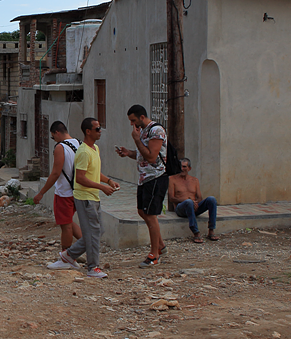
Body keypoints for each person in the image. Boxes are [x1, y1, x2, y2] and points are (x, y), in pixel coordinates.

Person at [47, 117, 118, 278]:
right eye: (97, 129)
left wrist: (108, 181)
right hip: (84, 197)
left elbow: (94, 172)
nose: (100, 131)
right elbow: (80, 178)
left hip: (93, 196)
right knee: (91, 232)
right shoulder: (83, 151)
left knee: (97, 231)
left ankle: (68, 255)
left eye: (100, 128)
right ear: (88, 131)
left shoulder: (94, 149)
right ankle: (93, 267)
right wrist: (102, 187)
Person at [114, 104, 167, 266]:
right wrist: (128, 153)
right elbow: (142, 153)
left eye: (133, 120)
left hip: (156, 177)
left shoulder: (156, 131)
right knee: (141, 211)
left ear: (142, 117)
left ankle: (154, 254)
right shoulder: (143, 131)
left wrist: (137, 140)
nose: (132, 124)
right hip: (144, 178)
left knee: (150, 215)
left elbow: (151, 157)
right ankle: (160, 244)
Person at [32, 121, 83, 254]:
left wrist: (41, 192)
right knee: (69, 221)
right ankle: (86, 243)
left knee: (65, 226)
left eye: (53, 137)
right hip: (79, 190)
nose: (53, 140)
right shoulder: (80, 143)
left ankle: (66, 255)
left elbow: (56, 172)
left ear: (57, 133)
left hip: (64, 192)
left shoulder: (61, 148)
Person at [170, 158, 218, 241]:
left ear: (189, 168)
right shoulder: (172, 179)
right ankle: (196, 232)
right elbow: (172, 198)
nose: (182, 169)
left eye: (184, 167)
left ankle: (211, 230)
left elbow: (199, 197)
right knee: (188, 202)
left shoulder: (194, 180)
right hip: (181, 208)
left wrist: (195, 203)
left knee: (212, 199)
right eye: (180, 166)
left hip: (194, 207)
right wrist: (187, 201)